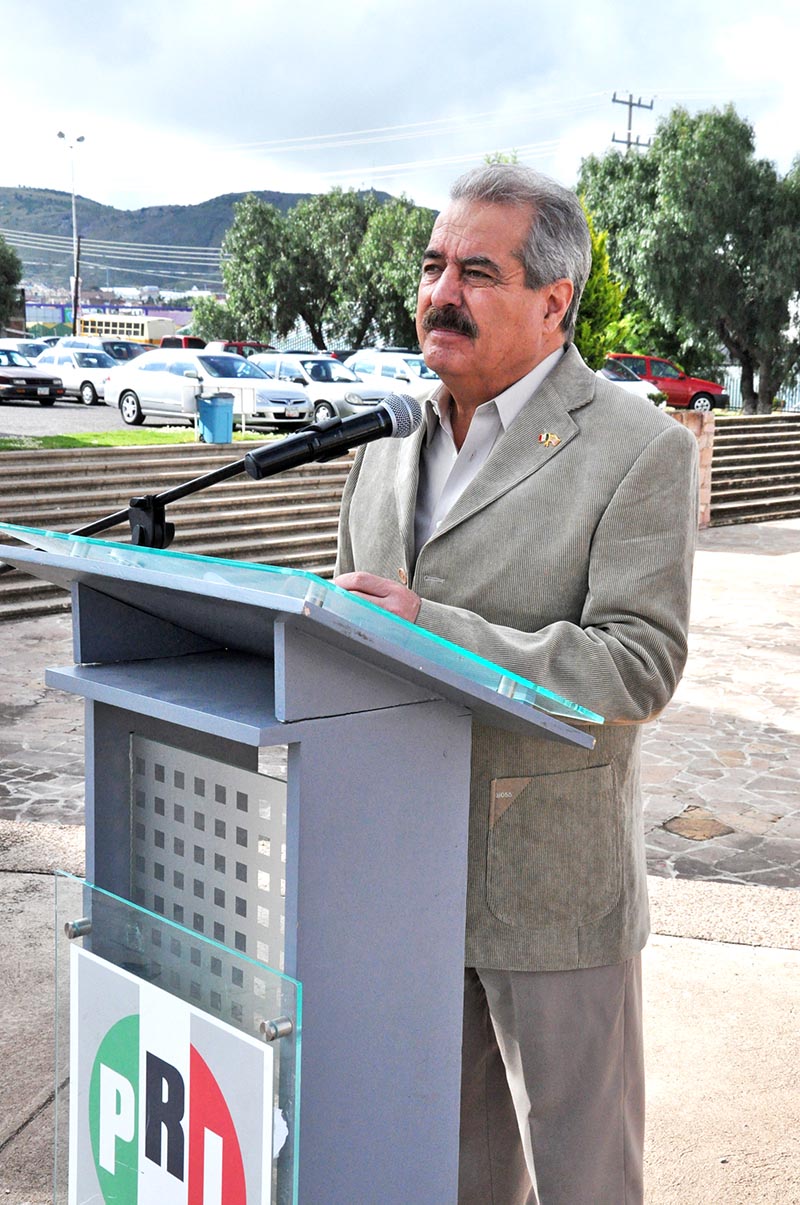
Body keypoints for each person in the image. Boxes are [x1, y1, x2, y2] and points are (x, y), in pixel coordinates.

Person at [334, 163, 698, 1204]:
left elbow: (636, 664)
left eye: (475, 271)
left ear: (552, 301)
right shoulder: (383, 442)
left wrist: (431, 629)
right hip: (398, 883)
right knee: (445, 1174)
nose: (439, 290)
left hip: (549, 887)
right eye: (432, 264)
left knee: (583, 1179)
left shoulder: (634, 449)